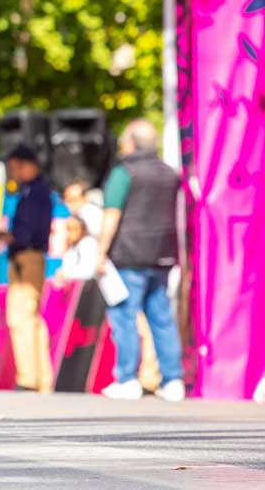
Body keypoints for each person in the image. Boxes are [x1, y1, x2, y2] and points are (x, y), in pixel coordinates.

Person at [97, 119, 185, 402]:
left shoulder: (125, 172)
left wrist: (100, 252)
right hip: (163, 254)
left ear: (130, 143)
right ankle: (173, 380)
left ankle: (127, 378)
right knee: (161, 318)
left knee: (124, 316)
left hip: (130, 255)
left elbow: (112, 213)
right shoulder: (170, 174)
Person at [0, 144, 54, 393]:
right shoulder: (34, 191)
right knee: (32, 319)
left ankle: (28, 378)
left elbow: (27, 232)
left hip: (27, 258)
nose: (14, 174)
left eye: (15, 168)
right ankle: (41, 377)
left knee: (20, 317)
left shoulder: (35, 193)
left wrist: (7, 237)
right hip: (30, 256)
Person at [55, 215, 100, 281]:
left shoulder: (88, 243)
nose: (68, 233)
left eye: (73, 229)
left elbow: (89, 271)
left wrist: (64, 273)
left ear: (82, 230)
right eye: (67, 229)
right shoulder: (71, 247)